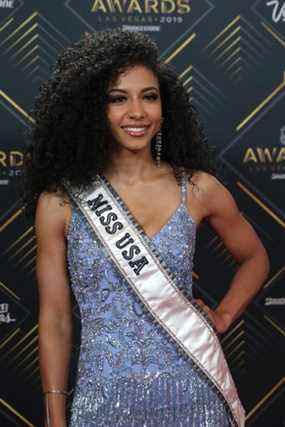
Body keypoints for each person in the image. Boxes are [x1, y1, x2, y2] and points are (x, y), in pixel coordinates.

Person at [24, 29, 269, 427]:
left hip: (195, 398)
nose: (137, 112)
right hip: (101, 404)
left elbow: (256, 257)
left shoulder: (199, 188)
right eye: (118, 98)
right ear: (90, 110)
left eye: (149, 96)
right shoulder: (59, 203)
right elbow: (54, 316)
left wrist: (223, 316)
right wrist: (55, 414)